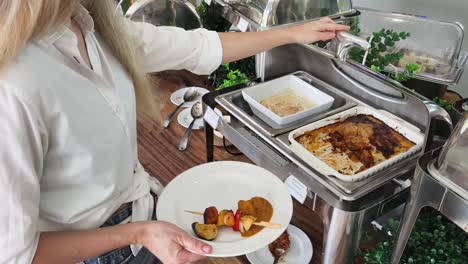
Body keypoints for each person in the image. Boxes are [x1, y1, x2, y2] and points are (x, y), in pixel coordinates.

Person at [0, 1, 349, 263]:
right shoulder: (14, 84)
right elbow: (17, 254)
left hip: (141, 216)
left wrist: (290, 34)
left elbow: (197, 47)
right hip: (93, 250)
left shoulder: (87, 22)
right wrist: (136, 233)